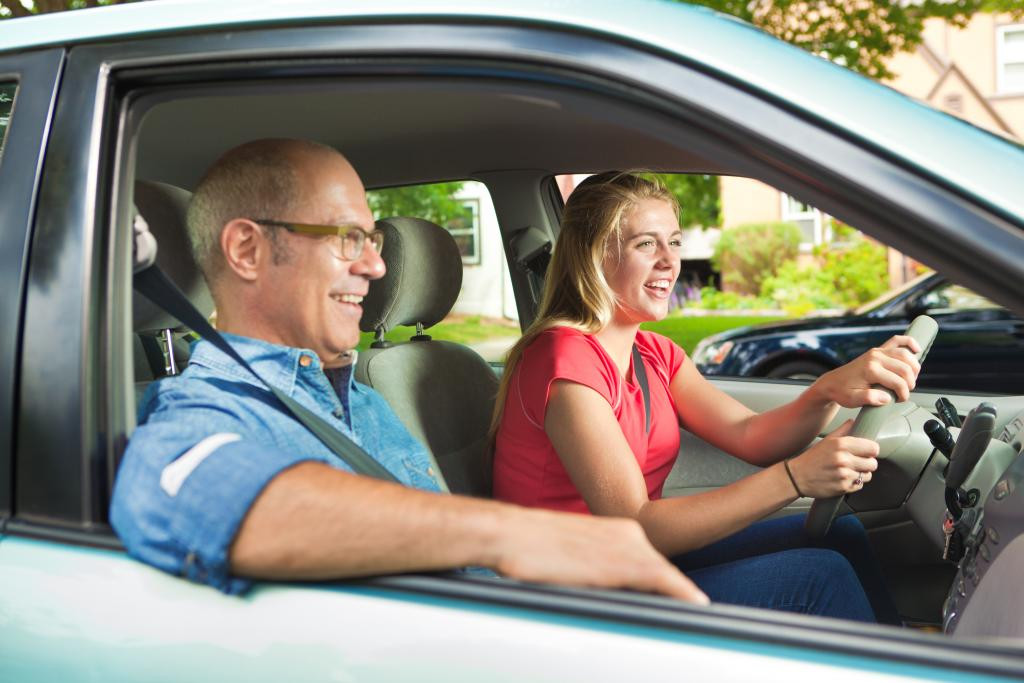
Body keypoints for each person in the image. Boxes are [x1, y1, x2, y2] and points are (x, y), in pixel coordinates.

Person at [110, 140, 707, 604]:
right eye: (349, 238)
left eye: (372, 239)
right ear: (246, 250)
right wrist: (520, 535)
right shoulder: (199, 413)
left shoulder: (365, 402)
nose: (375, 265)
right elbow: (209, 494)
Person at [492, 172, 921, 623]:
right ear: (596, 254)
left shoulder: (652, 353)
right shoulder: (564, 359)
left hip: (625, 564)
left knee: (842, 535)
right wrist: (796, 479)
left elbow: (751, 435)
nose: (668, 262)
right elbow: (637, 522)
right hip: (569, 593)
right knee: (821, 576)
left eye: (674, 242)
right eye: (645, 244)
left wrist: (826, 391)